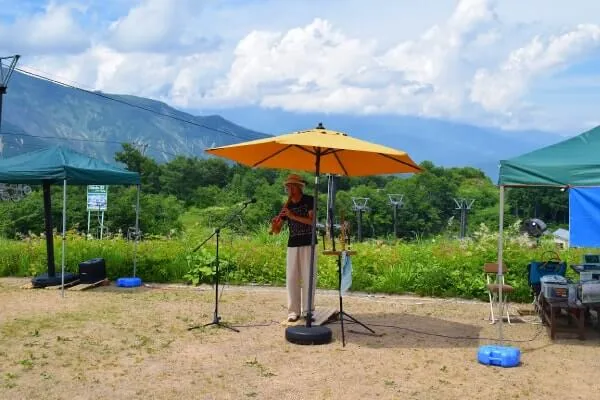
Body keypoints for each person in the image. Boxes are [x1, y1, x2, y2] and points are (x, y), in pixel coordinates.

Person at [270, 173, 318, 322]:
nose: (288, 189)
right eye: (287, 186)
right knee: (292, 278)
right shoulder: (288, 204)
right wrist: (275, 224)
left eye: (290, 186)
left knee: (308, 277)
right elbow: (277, 231)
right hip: (293, 243)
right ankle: (293, 311)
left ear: (298, 187)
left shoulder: (309, 200)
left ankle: (308, 311)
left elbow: (313, 222)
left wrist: (292, 216)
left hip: (309, 242)